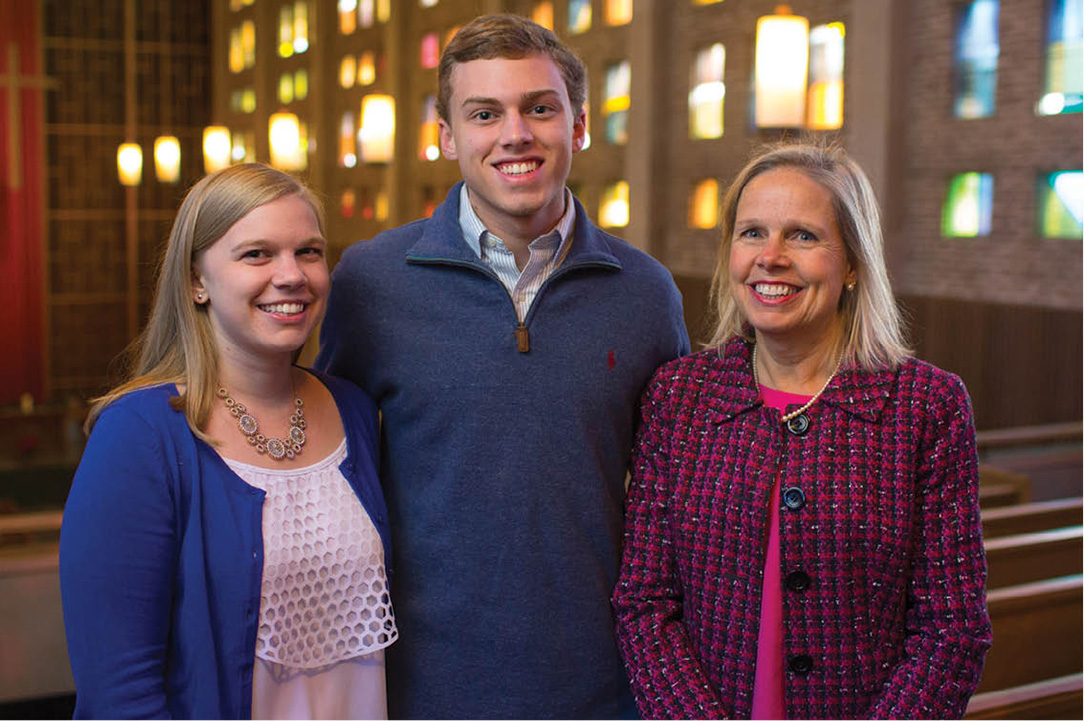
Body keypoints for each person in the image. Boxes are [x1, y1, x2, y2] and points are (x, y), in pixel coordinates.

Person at [315, 14, 689, 719]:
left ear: (578, 126)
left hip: (606, 691)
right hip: (422, 691)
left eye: (539, 108)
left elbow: (679, 502)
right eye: (484, 113)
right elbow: (328, 477)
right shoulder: (370, 284)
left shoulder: (645, 294)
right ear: (448, 137)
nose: (515, 133)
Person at [612, 143, 992, 719]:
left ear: (854, 263)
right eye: (752, 233)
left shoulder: (925, 407)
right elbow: (644, 604)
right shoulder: (678, 397)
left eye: (803, 236)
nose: (771, 257)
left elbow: (953, 629)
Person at [59, 164, 396, 719]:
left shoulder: (355, 410)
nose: (291, 275)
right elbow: (120, 693)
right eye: (257, 255)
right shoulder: (140, 435)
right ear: (196, 281)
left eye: (308, 252)